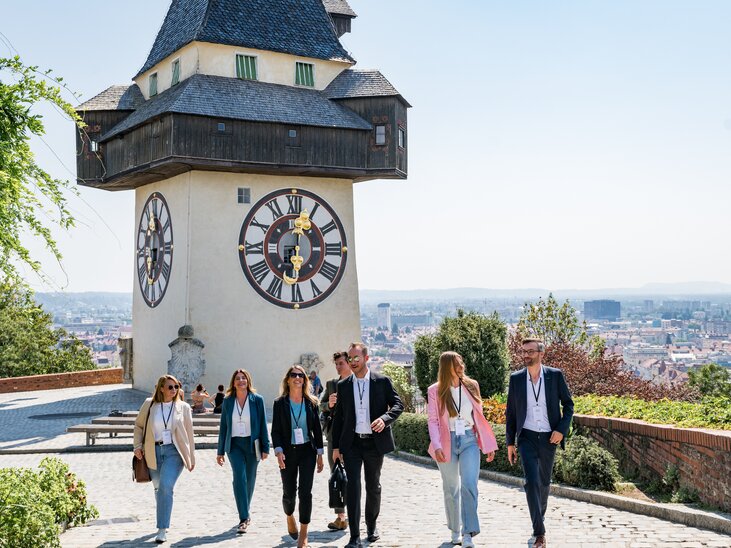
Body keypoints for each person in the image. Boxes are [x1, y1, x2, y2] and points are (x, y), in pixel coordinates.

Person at [332, 343, 404, 548]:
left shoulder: (381, 381)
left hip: (374, 443)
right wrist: (336, 447)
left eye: (356, 358)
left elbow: (398, 405)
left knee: (373, 486)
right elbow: (339, 418)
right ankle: (354, 536)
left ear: (366, 358)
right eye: (350, 359)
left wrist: (385, 419)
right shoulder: (344, 385)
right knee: (353, 488)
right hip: (352, 443)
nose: (353, 362)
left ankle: (371, 525)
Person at [505, 338, 574, 548]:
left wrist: (561, 430)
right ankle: (539, 532)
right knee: (531, 482)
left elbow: (569, 405)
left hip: (548, 438)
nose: (526, 355)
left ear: (541, 353)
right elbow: (511, 413)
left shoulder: (554, 376)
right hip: (526, 437)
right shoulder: (516, 379)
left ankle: (538, 519)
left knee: (544, 484)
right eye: (524, 351)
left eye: (530, 352)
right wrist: (510, 443)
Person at [427, 352, 498, 548]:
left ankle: (469, 533)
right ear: (446, 367)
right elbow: (432, 421)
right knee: (451, 488)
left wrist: (488, 445)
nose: (461, 367)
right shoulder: (435, 390)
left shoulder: (471, 385)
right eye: (456, 364)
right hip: (445, 440)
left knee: (469, 485)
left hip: (469, 440)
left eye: (461, 363)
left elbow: (480, 419)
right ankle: (455, 530)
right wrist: (438, 445)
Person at [133, 375, 195, 544]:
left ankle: (162, 529)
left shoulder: (183, 407)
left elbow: (190, 433)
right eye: (170, 387)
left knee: (166, 486)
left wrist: (192, 457)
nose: (174, 390)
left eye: (176, 387)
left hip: (175, 452)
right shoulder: (149, 404)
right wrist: (137, 446)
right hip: (153, 451)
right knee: (159, 488)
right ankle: (163, 513)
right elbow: (139, 426)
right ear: (161, 388)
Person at [271, 365, 325, 548]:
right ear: (288, 379)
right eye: (293, 375)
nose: (297, 378)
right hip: (287, 452)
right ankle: (289, 515)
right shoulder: (280, 403)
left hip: (307, 452)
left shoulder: (311, 402)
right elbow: (276, 431)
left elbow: (317, 429)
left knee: (305, 492)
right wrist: (278, 452)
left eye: (300, 375)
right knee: (289, 493)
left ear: (305, 379)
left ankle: (303, 535)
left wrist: (320, 454)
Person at [216, 369, 270, 534]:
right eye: (238, 378)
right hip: (234, 445)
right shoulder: (228, 401)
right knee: (239, 477)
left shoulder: (257, 400)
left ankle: (245, 509)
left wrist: (266, 447)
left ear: (248, 381)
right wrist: (220, 451)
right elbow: (224, 427)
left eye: (243, 378)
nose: (241, 381)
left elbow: (262, 423)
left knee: (250, 478)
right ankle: (244, 517)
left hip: (253, 444)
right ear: (233, 382)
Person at [319, 351, 352, 531]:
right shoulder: (331, 384)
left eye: (341, 363)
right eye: (337, 364)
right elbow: (320, 406)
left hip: (354, 436)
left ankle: (353, 513)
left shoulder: (357, 382)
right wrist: (328, 404)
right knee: (337, 475)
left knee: (352, 476)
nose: (339, 367)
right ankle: (341, 517)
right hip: (334, 437)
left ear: (349, 363)